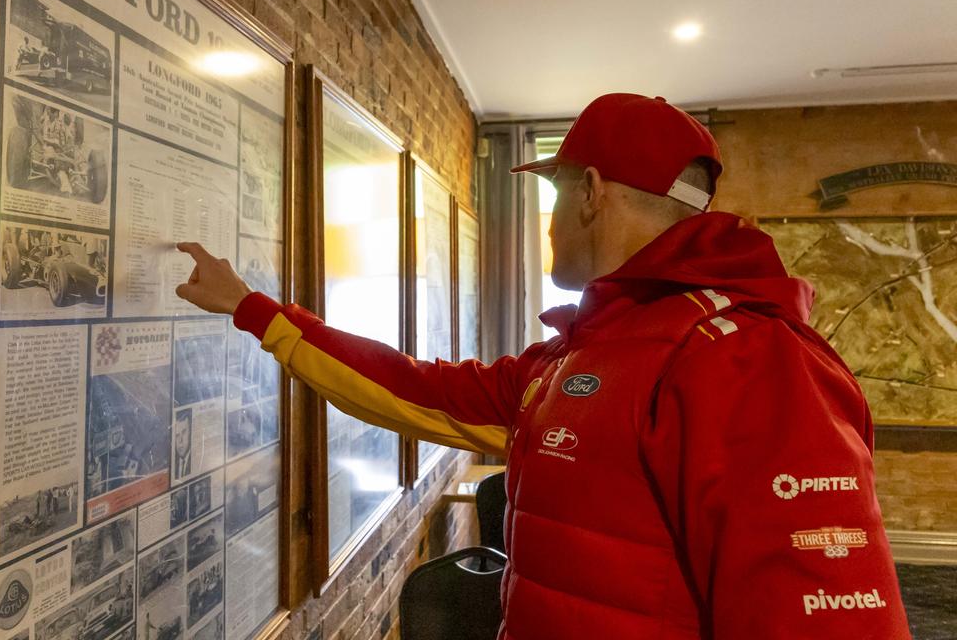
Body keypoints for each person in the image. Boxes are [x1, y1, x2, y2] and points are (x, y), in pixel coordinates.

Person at [175, 93, 911, 639]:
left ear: (589, 192)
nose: (551, 222)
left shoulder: (745, 356)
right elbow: (418, 389)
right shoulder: (578, 356)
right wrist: (254, 310)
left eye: (555, 193)